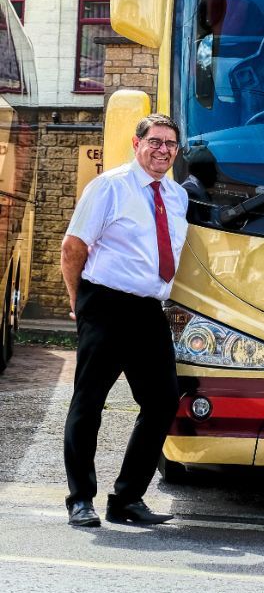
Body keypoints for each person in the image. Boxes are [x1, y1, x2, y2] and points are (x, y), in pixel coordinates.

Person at [61, 114, 189, 528]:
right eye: (155, 141)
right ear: (137, 144)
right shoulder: (109, 186)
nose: (163, 150)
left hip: (148, 310)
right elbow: (73, 246)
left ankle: (127, 499)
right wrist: (78, 302)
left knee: (162, 401)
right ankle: (80, 499)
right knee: (89, 402)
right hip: (105, 304)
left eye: (170, 144)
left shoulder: (175, 195)